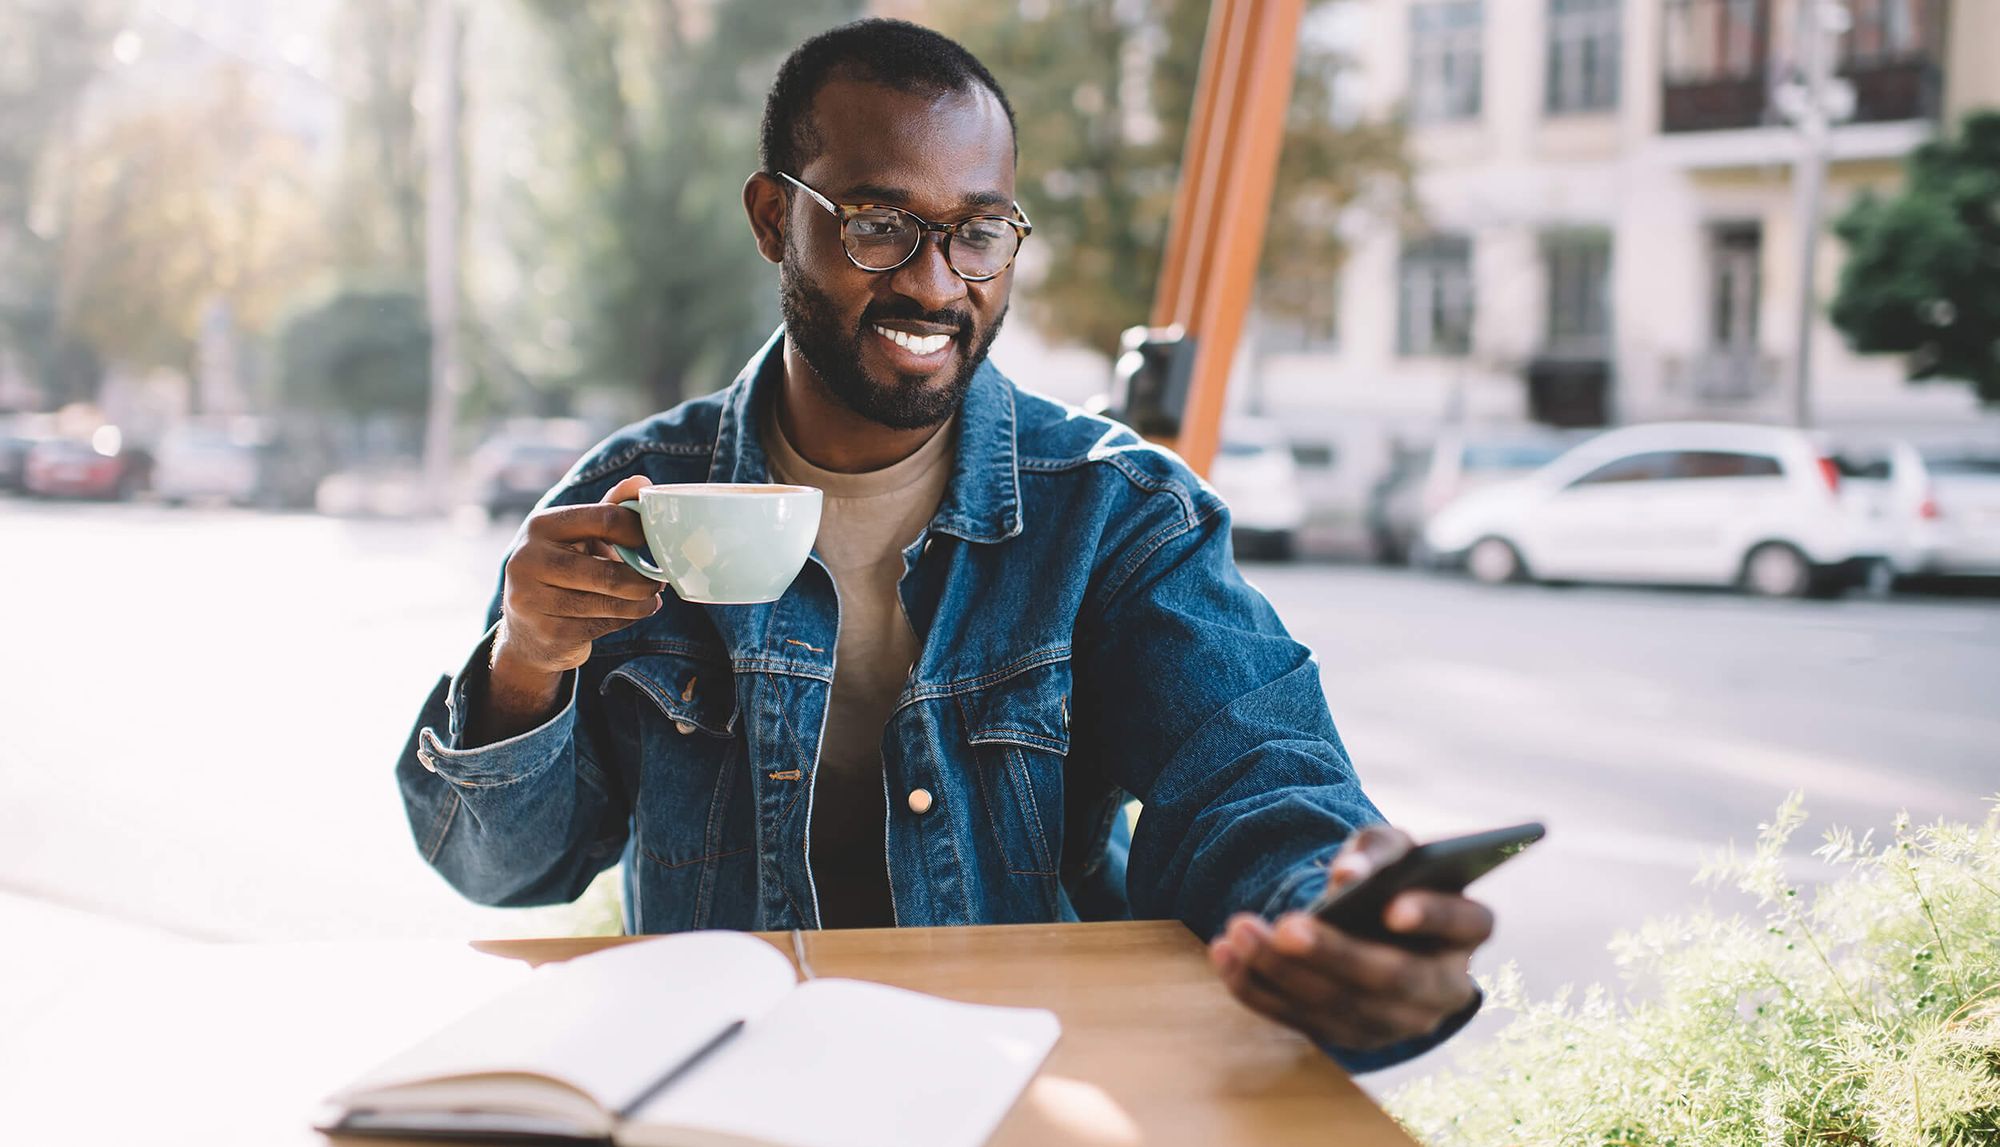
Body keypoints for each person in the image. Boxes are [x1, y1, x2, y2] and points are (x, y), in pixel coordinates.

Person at [396, 18, 1493, 1071]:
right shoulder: (633, 500)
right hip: (725, 1085)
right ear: (775, 219)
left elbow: (1252, 775)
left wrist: (1339, 918)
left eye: (977, 231)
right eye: (878, 223)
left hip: (1029, 1080)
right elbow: (497, 869)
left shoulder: (1113, 514)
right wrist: (524, 663)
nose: (934, 281)